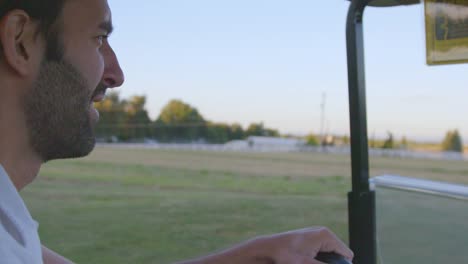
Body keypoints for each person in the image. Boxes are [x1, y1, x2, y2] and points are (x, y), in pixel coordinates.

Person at [0, 0, 354, 263]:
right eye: (99, 38)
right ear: (21, 42)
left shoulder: (9, 223)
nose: (116, 74)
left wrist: (258, 254)